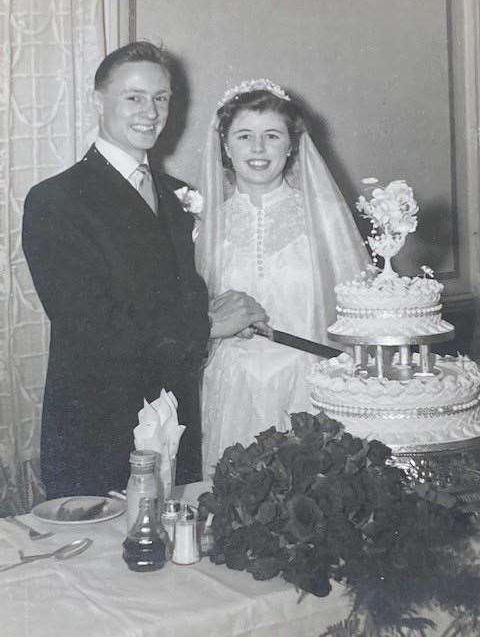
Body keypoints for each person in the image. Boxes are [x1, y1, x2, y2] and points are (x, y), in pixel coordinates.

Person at [22, 43, 268, 498]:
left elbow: (182, 294)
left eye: (161, 98)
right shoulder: (56, 200)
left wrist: (225, 314)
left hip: (178, 419)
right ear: (98, 101)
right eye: (133, 97)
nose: (150, 112)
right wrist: (209, 325)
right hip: (99, 429)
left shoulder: (179, 195)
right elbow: (89, 323)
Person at [196, 79, 370, 477]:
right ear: (225, 145)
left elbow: (358, 313)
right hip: (232, 388)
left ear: (291, 145)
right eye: (244, 136)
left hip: (307, 388)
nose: (258, 149)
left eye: (271, 135)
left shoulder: (324, 219)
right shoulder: (203, 225)